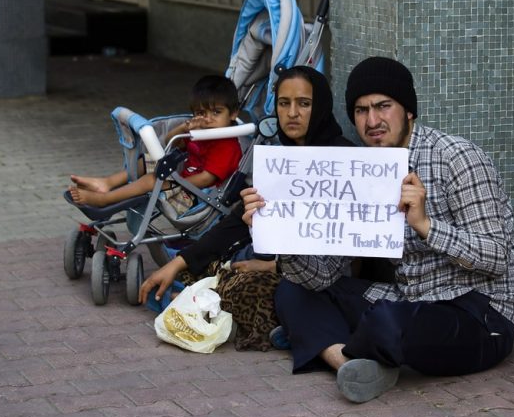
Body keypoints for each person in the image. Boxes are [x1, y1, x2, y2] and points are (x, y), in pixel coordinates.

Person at [241, 56, 514, 403]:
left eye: (383, 106)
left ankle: (324, 340)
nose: (372, 121)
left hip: (479, 313)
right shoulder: (364, 171)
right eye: (361, 110)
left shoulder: (457, 158)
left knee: (388, 323)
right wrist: (280, 231)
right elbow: (323, 275)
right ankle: (345, 360)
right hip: (408, 299)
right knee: (293, 289)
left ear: (408, 111)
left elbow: (496, 258)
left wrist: (425, 226)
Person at [138, 65, 354, 350]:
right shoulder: (278, 157)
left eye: (304, 104)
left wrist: (273, 267)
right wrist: (177, 263)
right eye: (283, 103)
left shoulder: (346, 160)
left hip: (319, 276)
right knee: (200, 269)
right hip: (277, 262)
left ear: (322, 106)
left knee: (254, 290)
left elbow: (340, 253)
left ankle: (282, 326)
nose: (291, 113)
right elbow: (235, 220)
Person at [68, 75, 243, 214]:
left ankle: (104, 200)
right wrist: (184, 128)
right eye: (201, 113)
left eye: (216, 112)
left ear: (233, 114)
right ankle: (107, 182)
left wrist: (174, 181)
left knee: (153, 180)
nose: (208, 119)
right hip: (186, 184)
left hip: (198, 198)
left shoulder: (227, 145)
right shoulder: (202, 133)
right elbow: (170, 142)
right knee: (148, 160)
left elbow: (207, 178)